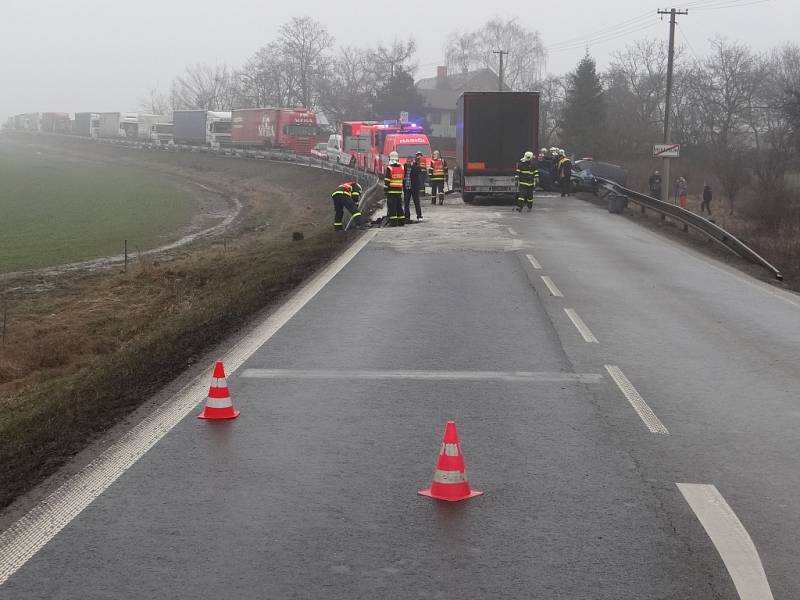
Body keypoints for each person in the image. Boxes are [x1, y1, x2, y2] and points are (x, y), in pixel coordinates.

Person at [384, 151, 404, 226]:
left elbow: (387, 180)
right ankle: (401, 221)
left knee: (392, 207)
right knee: (399, 206)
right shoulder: (401, 167)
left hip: (391, 191)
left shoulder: (389, 168)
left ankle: (393, 222)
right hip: (399, 190)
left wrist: (385, 190)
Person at [403, 151, 425, 222]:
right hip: (407, 188)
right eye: (407, 161)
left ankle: (419, 216)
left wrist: (413, 166)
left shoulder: (416, 167)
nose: (408, 163)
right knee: (406, 203)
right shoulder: (404, 167)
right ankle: (407, 217)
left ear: (412, 161)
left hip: (414, 188)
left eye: (409, 161)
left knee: (417, 202)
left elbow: (418, 172)